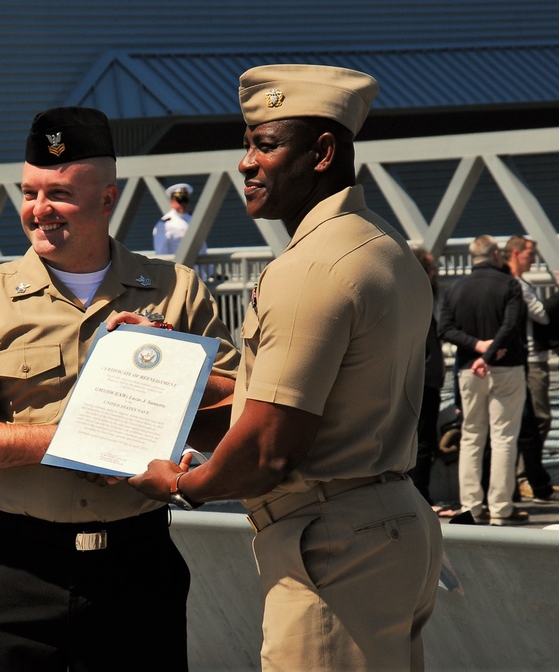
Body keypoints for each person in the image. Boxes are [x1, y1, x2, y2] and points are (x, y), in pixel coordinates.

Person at [125, 64, 443, 672]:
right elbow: (282, 402)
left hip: (329, 547)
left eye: (265, 144)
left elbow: (268, 448)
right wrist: (162, 361)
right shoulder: (385, 248)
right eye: (247, 144)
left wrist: (177, 484)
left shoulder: (309, 268)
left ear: (322, 152)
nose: (245, 162)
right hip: (394, 525)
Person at [0, 106, 240, 672]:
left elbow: (237, 414)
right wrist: (75, 439)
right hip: (16, 571)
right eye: (29, 192)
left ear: (108, 199)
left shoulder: (175, 291)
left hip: (138, 566)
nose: (39, 211)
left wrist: (171, 363)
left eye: (60, 194)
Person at [439, 235, 530, 525]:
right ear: (495, 255)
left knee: (472, 437)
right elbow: (512, 325)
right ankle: (501, 509)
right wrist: (490, 352)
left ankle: (472, 507)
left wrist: (477, 348)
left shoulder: (456, 289)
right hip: (506, 367)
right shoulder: (509, 285)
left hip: (469, 369)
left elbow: (445, 328)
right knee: (503, 438)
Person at [503, 234, 559, 502]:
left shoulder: (519, 283)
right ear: (516, 253)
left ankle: (530, 475)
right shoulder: (518, 285)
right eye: (530, 254)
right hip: (530, 362)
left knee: (534, 421)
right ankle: (526, 477)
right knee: (537, 420)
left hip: (532, 359)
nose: (533, 260)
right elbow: (541, 315)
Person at [408, 246, 449, 512]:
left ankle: (419, 495)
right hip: (422, 381)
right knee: (422, 441)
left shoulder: (414, 297)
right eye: (432, 268)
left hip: (423, 380)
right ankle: (421, 497)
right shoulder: (417, 297)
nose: (436, 274)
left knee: (422, 440)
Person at [153, 182, 212, 280]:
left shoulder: (193, 219)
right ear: (172, 201)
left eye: (185, 200)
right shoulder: (165, 224)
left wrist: (211, 272)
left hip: (198, 274)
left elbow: (202, 247)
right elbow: (161, 251)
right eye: (180, 200)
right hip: (177, 274)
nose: (183, 204)